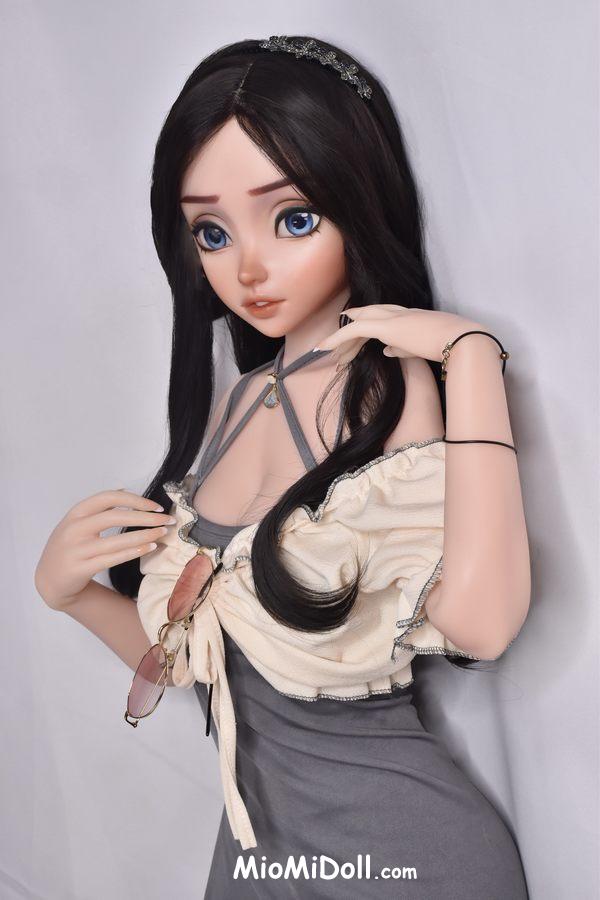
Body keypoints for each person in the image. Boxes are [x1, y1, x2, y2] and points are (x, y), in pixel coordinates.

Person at [35, 36, 531, 898]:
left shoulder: (381, 392)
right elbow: (202, 659)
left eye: (294, 218)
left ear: (357, 201)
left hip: (402, 858)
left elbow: (481, 625)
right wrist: (71, 595)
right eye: (212, 232)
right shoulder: (237, 402)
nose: (249, 268)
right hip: (258, 849)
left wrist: (473, 357)